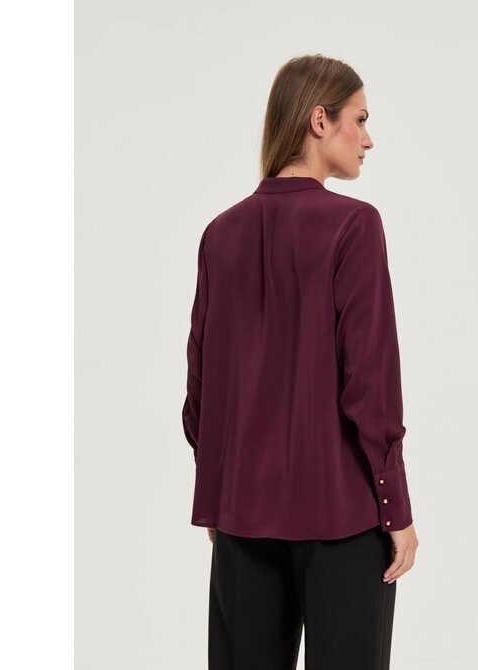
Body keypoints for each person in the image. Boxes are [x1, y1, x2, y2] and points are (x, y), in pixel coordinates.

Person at [182, 53, 419, 670]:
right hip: (343, 517)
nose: (368, 139)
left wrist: (224, 492)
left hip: (242, 521)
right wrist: (394, 505)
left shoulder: (220, 234)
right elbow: (370, 385)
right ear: (320, 120)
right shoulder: (354, 226)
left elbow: (200, 391)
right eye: (359, 119)